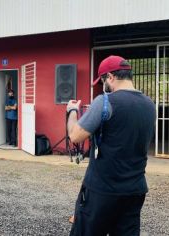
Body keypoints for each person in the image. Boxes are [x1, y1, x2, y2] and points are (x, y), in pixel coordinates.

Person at [66, 55, 155, 236]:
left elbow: (75, 136)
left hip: (102, 190)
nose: (103, 85)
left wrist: (72, 111)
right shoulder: (149, 105)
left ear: (111, 77)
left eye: (103, 80)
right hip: (135, 190)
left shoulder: (105, 101)